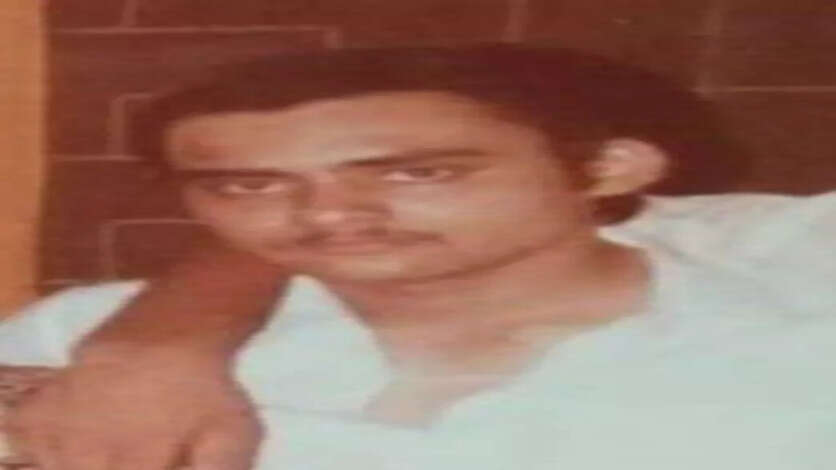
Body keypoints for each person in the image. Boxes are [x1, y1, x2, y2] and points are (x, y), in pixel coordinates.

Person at [1, 44, 834, 470]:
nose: (328, 213)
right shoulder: (77, 336)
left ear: (610, 169)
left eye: (418, 173)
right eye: (250, 186)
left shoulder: (797, 325)